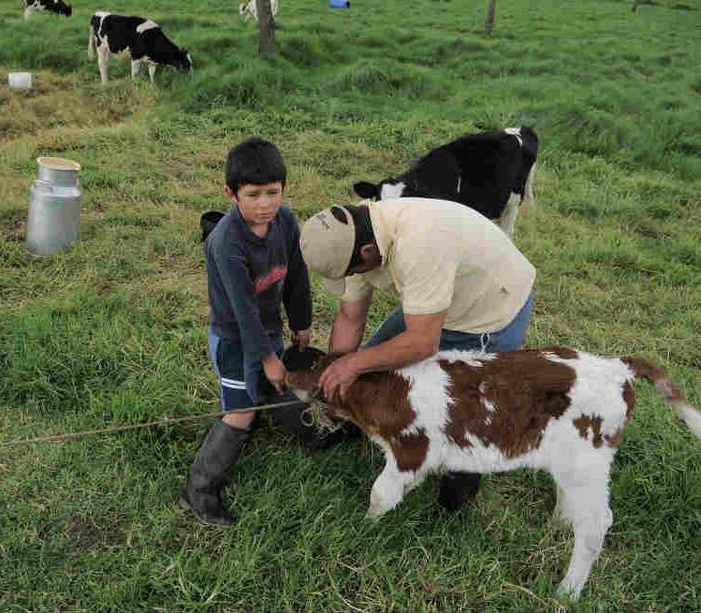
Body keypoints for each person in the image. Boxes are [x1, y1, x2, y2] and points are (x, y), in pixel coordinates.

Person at [298, 198, 536, 510]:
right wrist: (336, 374)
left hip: (487, 311)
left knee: (462, 412)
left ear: (367, 253)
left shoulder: (420, 243)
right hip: (436, 303)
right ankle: (351, 425)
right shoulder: (355, 234)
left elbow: (423, 342)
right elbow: (350, 318)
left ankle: (460, 482)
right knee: (370, 372)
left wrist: (353, 365)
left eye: (350, 271)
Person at [180, 137, 312, 526]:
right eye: (253, 195)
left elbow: (297, 276)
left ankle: (278, 428)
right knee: (239, 410)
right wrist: (268, 358)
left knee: (272, 385)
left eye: (273, 192)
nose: (265, 204)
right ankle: (200, 492)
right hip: (235, 339)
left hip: (268, 329)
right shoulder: (227, 243)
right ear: (230, 193)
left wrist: (301, 324)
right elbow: (241, 311)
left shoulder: (285, 221)